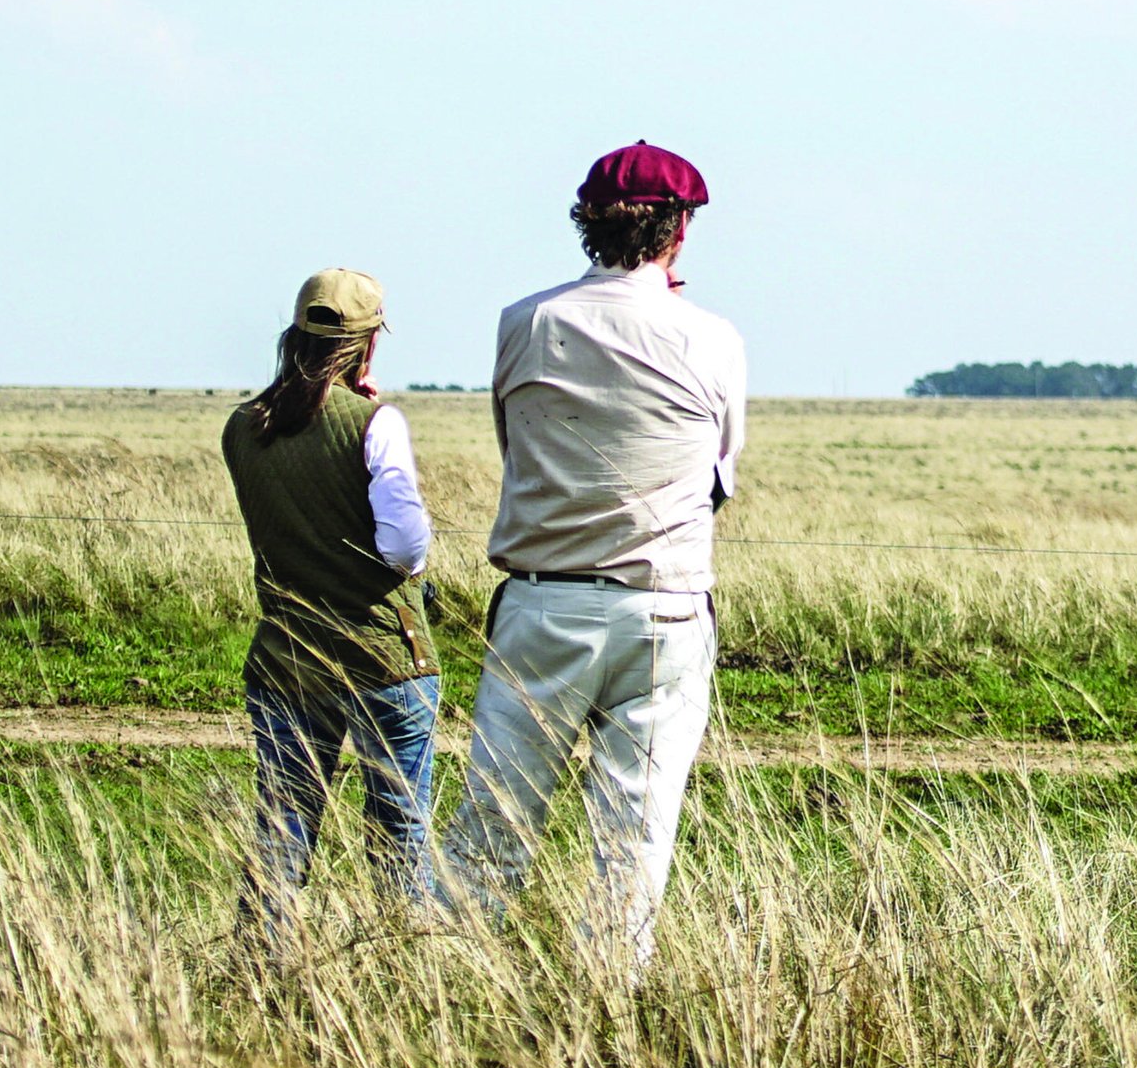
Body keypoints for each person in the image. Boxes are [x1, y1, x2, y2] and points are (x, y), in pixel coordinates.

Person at [437, 142, 745, 963]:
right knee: (635, 834)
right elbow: (718, 478)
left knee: (494, 820)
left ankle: (446, 978)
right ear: (679, 229)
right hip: (665, 604)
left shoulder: (526, 321)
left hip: (544, 597)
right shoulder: (712, 337)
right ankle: (610, 994)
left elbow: (517, 452)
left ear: (586, 224)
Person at [220, 268, 441, 945]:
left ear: (294, 337)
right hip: (385, 658)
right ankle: (407, 963)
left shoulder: (243, 426)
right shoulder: (376, 424)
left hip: (287, 656)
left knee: (283, 826)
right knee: (399, 832)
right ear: (368, 345)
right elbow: (405, 547)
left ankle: (260, 964)